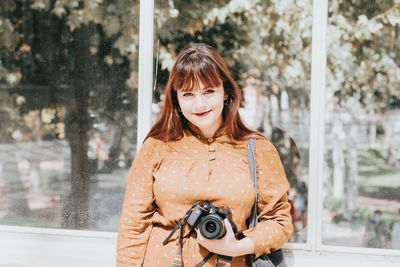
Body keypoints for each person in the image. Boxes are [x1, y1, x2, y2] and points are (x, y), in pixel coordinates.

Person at [116, 43, 293, 267]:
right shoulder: (156, 147)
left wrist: (235, 247)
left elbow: (279, 222)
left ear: (226, 93)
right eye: (188, 94)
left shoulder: (258, 149)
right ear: (176, 100)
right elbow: (133, 227)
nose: (199, 104)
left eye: (209, 91)